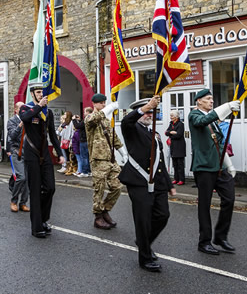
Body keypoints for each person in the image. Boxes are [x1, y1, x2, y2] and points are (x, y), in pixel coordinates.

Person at [120, 96, 175, 272]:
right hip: (138, 182)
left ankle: (143, 241)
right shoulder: (132, 128)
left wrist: (169, 184)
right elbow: (127, 120)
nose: (149, 115)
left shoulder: (155, 134)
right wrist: (144, 107)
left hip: (157, 183)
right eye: (146, 111)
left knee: (163, 215)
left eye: (151, 112)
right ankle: (145, 258)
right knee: (143, 221)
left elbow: (159, 162)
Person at [188, 88, 239, 255]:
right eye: (208, 99)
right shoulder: (194, 115)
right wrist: (226, 107)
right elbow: (201, 122)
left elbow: (220, 145)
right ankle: (204, 242)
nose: (211, 101)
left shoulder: (213, 121)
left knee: (229, 199)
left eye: (212, 99)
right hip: (204, 168)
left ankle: (220, 237)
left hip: (219, 168)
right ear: (199, 101)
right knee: (204, 205)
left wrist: (229, 165)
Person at [19, 86, 65, 238]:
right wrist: (39, 106)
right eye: (38, 92)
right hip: (31, 154)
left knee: (50, 188)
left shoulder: (48, 112)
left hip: (45, 154)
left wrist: (60, 153)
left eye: (42, 92)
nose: (41, 95)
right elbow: (25, 119)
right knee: (36, 191)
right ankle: (37, 226)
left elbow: (52, 134)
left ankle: (44, 219)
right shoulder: (26, 108)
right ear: (32, 94)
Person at [85, 94, 128, 230]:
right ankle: (98, 217)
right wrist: (108, 108)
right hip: (98, 159)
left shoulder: (106, 121)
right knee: (99, 189)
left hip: (110, 159)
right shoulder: (90, 118)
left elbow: (114, 138)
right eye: (101, 103)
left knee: (118, 186)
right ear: (94, 104)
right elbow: (93, 119)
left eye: (105, 102)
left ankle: (105, 210)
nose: (103, 104)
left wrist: (124, 154)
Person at [6, 101, 29, 212]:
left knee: (27, 179)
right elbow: (12, 135)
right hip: (17, 151)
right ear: (16, 110)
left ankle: (23, 203)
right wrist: (20, 125)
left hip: (28, 152)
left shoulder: (29, 119)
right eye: (21, 108)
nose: (24, 110)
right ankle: (14, 201)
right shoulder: (11, 121)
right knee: (21, 177)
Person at [165, 110, 186, 186]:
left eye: (172, 116)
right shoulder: (171, 124)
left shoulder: (180, 124)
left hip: (179, 146)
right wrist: (171, 132)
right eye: (170, 116)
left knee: (180, 164)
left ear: (176, 117)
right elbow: (166, 132)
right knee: (175, 164)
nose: (170, 117)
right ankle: (176, 178)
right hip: (173, 146)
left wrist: (171, 133)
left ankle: (181, 179)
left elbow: (179, 135)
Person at [72, 108, 93, 177]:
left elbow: (77, 126)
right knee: (87, 156)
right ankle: (89, 171)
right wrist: (79, 120)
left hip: (84, 140)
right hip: (88, 140)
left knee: (84, 157)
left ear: (87, 112)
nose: (84, 113)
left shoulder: (88, 118)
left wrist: (74, 119)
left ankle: (85, 172)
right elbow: (83, 125)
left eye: (84, 112)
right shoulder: (91, 118)